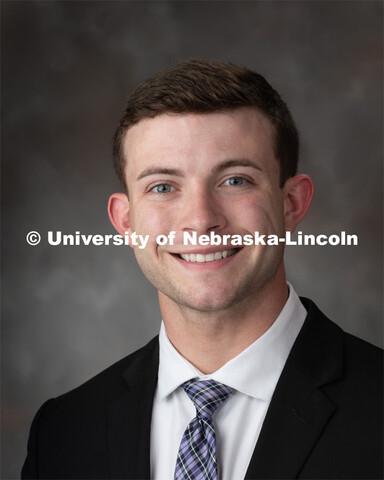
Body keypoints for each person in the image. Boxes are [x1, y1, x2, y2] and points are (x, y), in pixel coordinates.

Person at [22, 59, 383, 480]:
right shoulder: (64, 432)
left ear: (291, 205)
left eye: (235, 180)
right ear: (125, 222)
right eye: (162, 187)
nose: (200, 220)